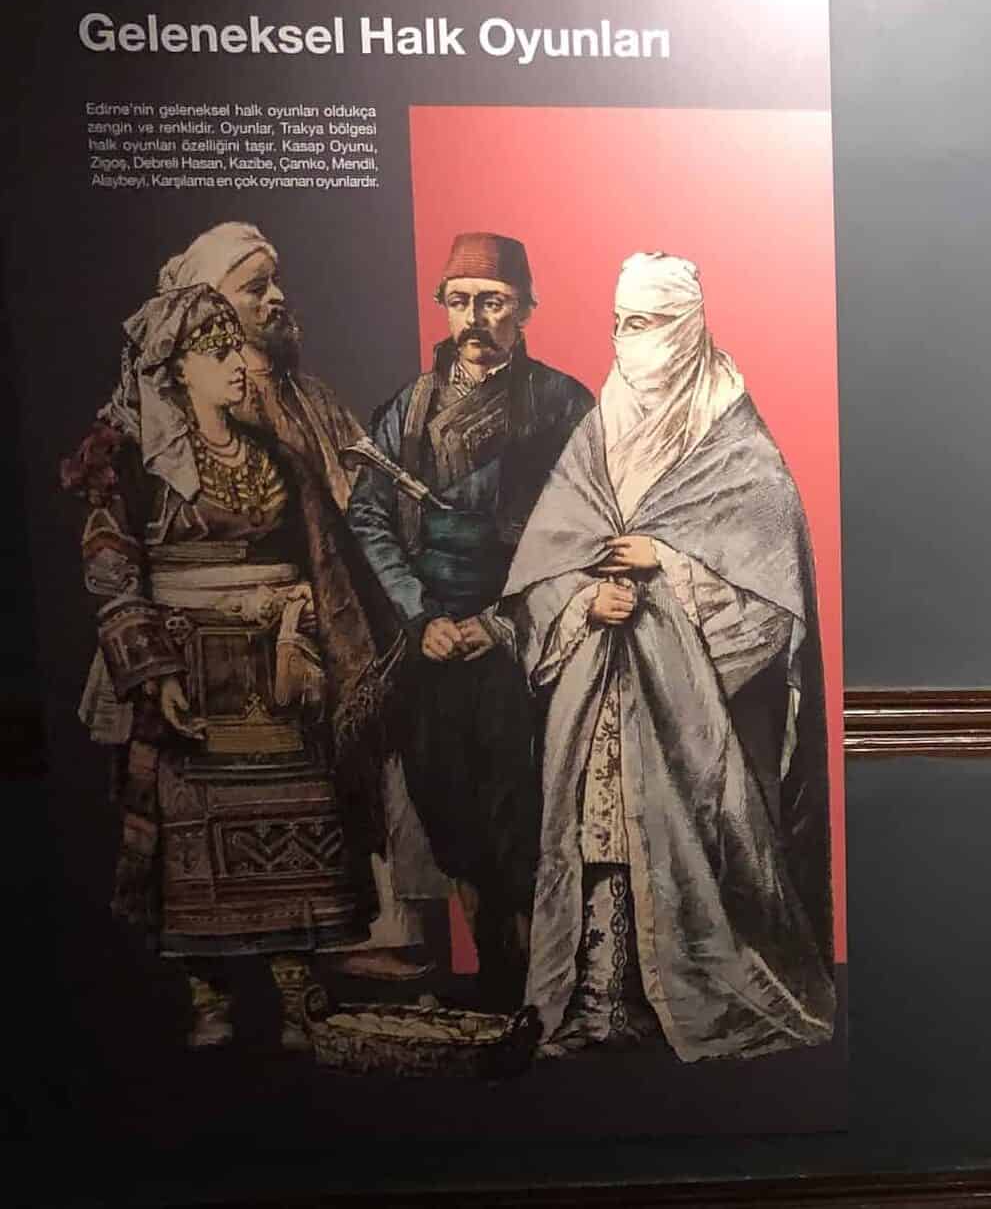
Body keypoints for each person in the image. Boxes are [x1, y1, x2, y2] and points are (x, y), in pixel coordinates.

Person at [502, 251, 834, 1060]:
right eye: (618, 323)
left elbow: (771, 598)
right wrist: (587, 598)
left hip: (697, 703)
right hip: (597, 683)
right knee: (596, 830)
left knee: (680, 831)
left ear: (686, 330)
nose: (626, 341)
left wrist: (666, 565)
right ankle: (596, 993)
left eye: (645, 323)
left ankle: (676, 994)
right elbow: (541, 568)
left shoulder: (737, 447)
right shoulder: (599, 432)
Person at [60, 287, 399, 1050]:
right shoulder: (134, 466)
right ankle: (208, 996)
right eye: (217, 354)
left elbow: (318, 557)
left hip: (282, 672)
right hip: (190, 676)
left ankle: (294, 990)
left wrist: (311, 624)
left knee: (302, 819)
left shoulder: (275, 456)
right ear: (176, 369)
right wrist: (155, 676)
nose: (238, 367)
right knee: (190, 833)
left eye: (236, 350)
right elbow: (112, 570)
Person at [137, 221, 437, 981]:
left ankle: (373, 930)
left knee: (370, 757)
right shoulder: (163, 436)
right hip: (223, 651)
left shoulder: (310, 398)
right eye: (254, 287)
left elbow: (359, 503)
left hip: (332, 618)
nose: (277, 299)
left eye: (277, 283)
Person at [346, 233, 593, 1007]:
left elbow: (585, 525)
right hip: (431, 636)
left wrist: (504, 621)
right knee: (435, 786)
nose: (475, 318)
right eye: (460, 301)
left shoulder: (563, 403)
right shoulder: (407, 409)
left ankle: (529, 964)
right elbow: (370, 518)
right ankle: (473, 947)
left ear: (525, 310)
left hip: (523, 631)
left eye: (493, 301)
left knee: (519, 799)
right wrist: (421, 618)